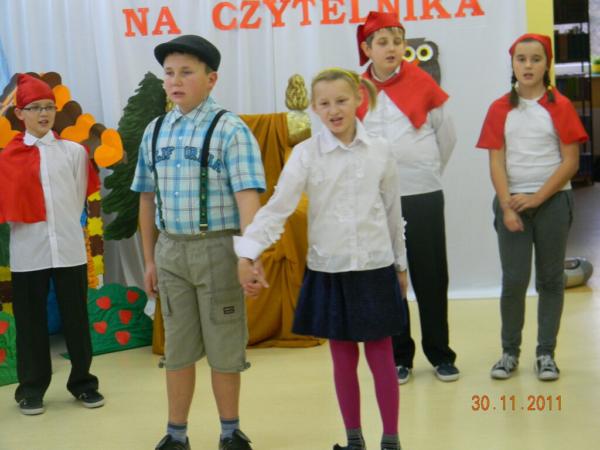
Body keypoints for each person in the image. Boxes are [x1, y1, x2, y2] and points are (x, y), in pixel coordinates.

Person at [236, 68, 408, 450]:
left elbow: (393, 212)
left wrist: (400, 264)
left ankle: (391, 440)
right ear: (314, 108)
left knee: (381, 353)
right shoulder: (305, 154)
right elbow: (277, 208)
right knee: (342, 357)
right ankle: (354, 440)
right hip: (330, 269)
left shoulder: (381, 150)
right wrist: (248, 251)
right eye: (325, 103)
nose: (334, 110)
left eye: (341, 101)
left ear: (358, 99)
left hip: (374, 265)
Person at [130, 35, 266, 450]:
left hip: (217, 249)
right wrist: (149, 260)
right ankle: (176, 434)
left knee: (225, 345)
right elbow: (146, 200)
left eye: (186, 72)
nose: (175, 80)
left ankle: (230, 431)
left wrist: (247, 255)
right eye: (169, 73)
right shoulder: (154, 131)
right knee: (177, 348)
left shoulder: (230, 129)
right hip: (171, 251)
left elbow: (248, 198)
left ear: (211, 79)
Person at [476, 33, 588, 381]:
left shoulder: (560, 106)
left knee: (551, 280)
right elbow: (496, 161)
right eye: (521, 59)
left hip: (553, 202)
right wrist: (508, 206)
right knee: (513, 280)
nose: (528, 66)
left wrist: (538, 197)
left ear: (546, 64)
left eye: (536, 59)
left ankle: (546, 354)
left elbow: (571, 161)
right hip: (512, 203)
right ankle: (509, 352)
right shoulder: (499, 108)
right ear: (512, 64)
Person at [356, 11, 459, 384]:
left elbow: (447, 137)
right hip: (377, 201)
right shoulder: (356, 90)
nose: (392, 48)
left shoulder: (423, 83)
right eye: (383, 42)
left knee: (431, 275)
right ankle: (400, 357)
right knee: (389, 278)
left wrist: (426, 172)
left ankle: (441, 354)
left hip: (422, 193)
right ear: (367, 48)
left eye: (398, 42)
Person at [0, 73, 104, 415]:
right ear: (20, 113)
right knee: (31, 323)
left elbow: (77, 198)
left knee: (76, 319)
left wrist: (62, 229)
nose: (44, 114)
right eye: (35, 108)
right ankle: (31, 389)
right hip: (29, 253)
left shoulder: (74, 153)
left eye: (49, 107)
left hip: (69, 250)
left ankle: (83, 383)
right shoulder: (6, 158)